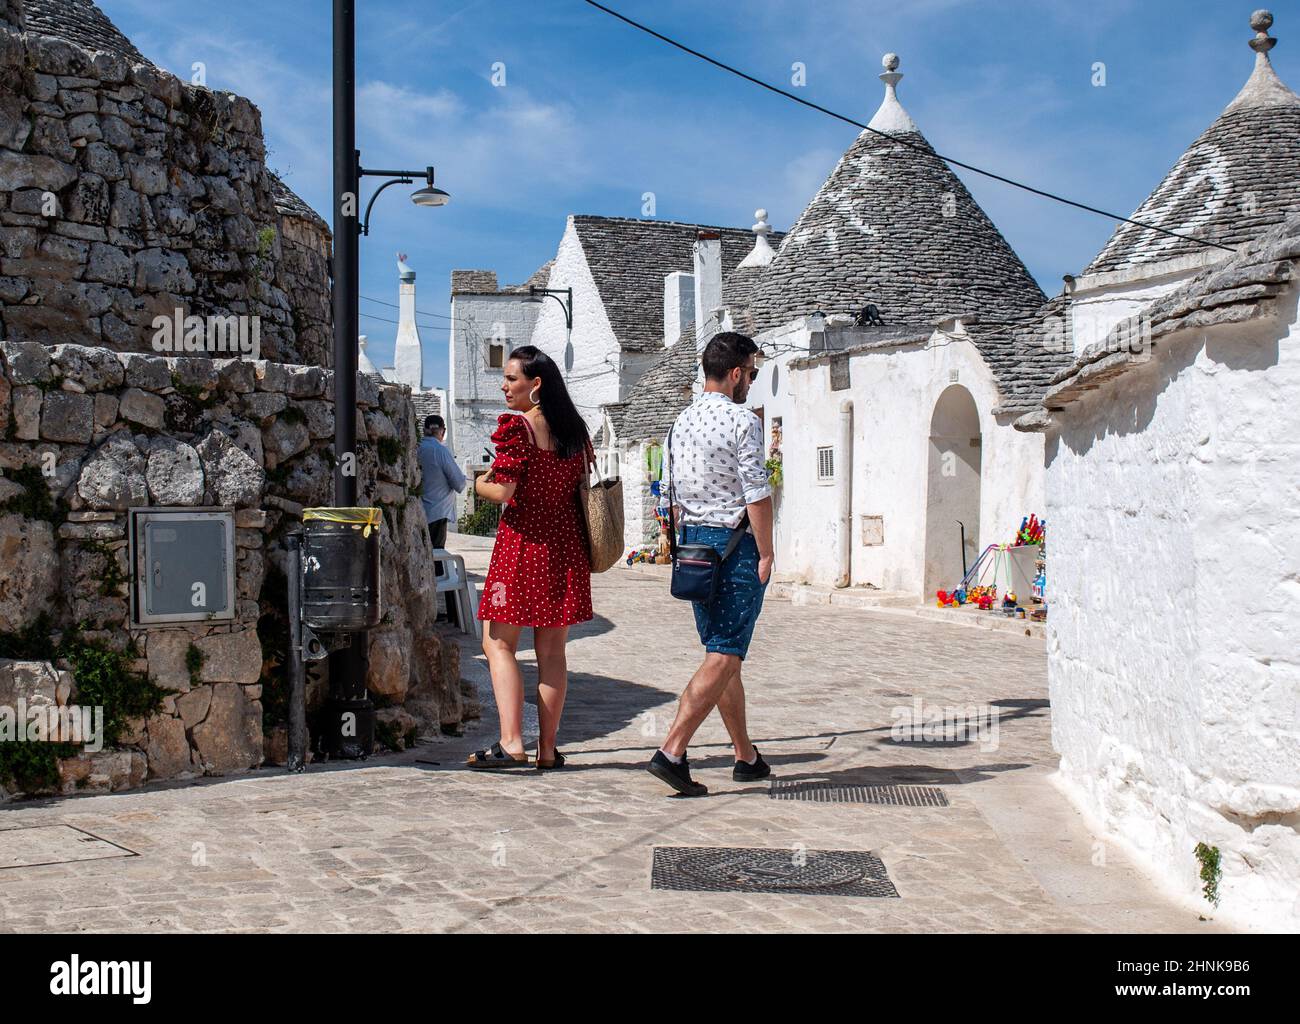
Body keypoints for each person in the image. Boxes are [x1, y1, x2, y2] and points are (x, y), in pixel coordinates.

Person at [648, 332, 774, 797]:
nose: (752, 382)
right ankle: (672, 751)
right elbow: (756, 491)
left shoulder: (679, 423)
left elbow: (670, 493)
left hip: (694, 547)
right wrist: (766, 552)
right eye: (753, 374)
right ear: (737, 373)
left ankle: (746, 756)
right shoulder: (743, 421)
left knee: (724, 656)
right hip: (735, 544)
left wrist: (679, 541)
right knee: (724, 652)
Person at [468, 345, 594, 771]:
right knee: (553, 653)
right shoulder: (575, 432)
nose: (504, 386)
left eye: (511, 378)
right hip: (564, 547)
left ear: (535, 385)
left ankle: (511, 741)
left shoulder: (518, 429)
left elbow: (502, 490)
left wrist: (478, 484)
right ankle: (547, 749)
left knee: (498, 643)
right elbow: (582, 486)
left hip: (522, 546)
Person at [418, 414, 466, 623]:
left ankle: (429, 610)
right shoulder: (440, 450)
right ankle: (453, 614)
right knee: (442, 564)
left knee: (426, 562)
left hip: (420, 514)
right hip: (437, 514)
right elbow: (459, 483)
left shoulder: (417, 448)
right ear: (442, 431)